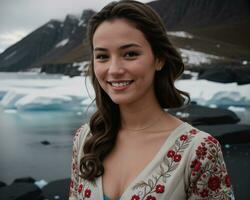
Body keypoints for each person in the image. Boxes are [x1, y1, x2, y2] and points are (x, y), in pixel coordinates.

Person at [69, 0, 235, 199]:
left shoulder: (199, 151)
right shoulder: (85, 139)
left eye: (130, 54)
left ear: (159, 59)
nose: (114, 70)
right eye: (102, 56)